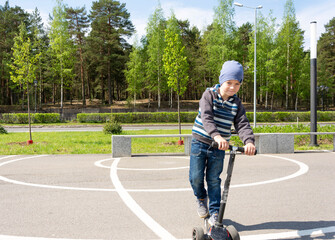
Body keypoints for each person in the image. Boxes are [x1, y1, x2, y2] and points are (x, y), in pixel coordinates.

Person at [189, 60, 256, 225]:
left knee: (214, 179)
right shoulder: (209, 95)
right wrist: (216, 136)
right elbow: (207, 117)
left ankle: (214, 213)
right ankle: (201, 198)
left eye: (237, 83)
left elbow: (242, 124)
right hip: (201, 142)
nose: (232, 87)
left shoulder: (236, 104)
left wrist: (248, 141)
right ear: (221, 81)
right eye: (229, 83)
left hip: (219, 148)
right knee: (196, 178)